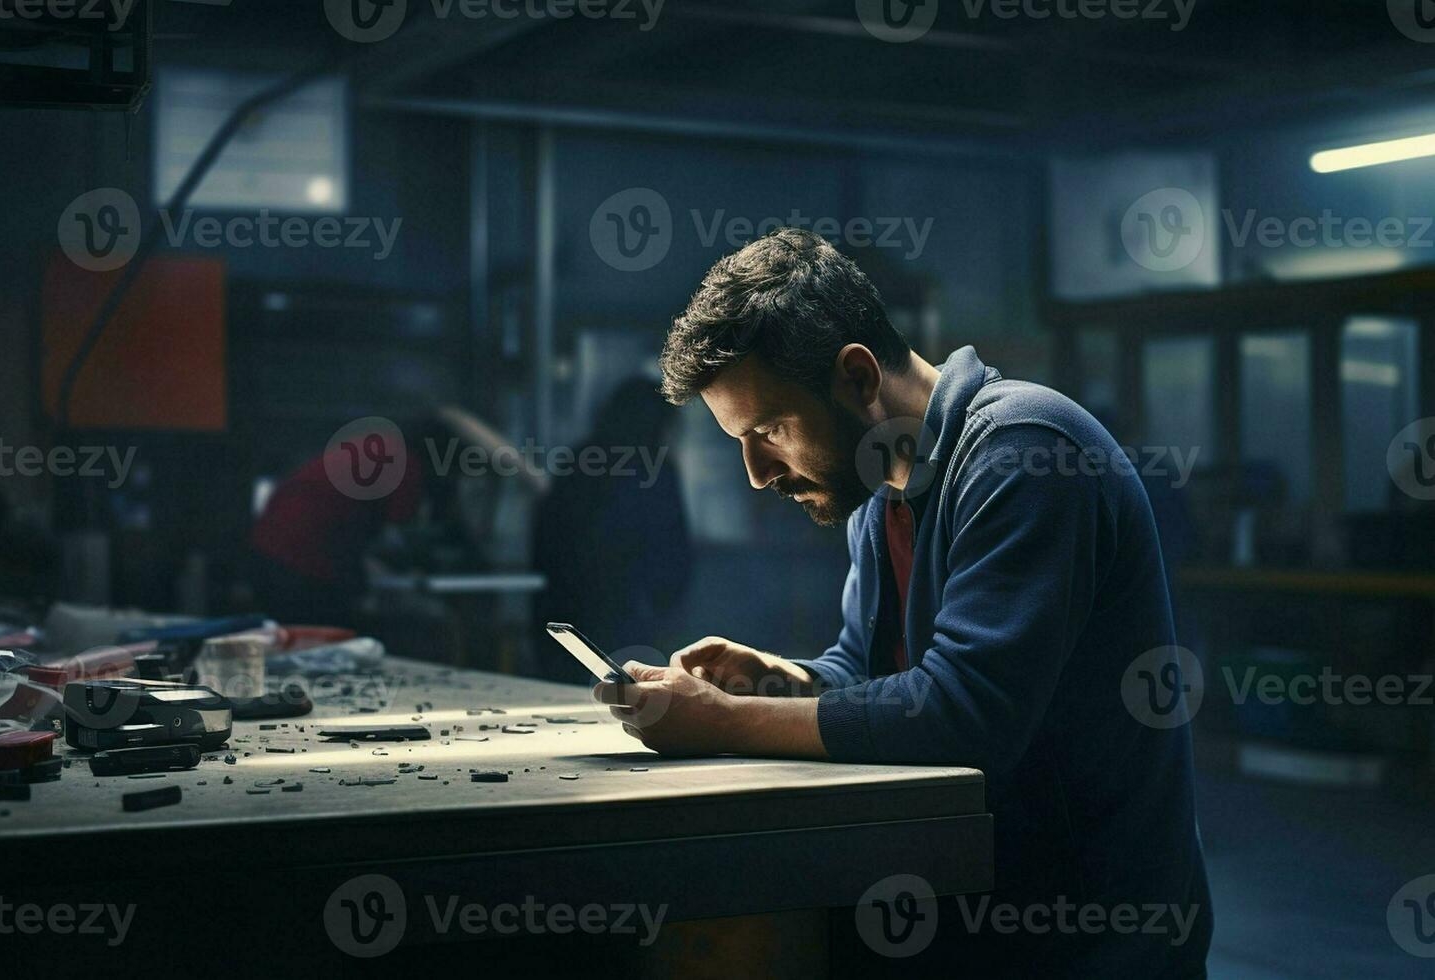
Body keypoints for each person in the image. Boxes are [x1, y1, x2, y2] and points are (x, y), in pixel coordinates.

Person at [595, 228, 1212, 976]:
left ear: (857, 379)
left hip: (1082, 939)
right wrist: (785, 679)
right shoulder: (878, 495)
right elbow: (869, 672)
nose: (758, 473)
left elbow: (965, 712)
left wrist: (723, 722)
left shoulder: (1024, 453)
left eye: (770, 430)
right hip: (962, 902)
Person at [248, 406, 544, 627]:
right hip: (298, 564)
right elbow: (397, 536)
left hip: (274, 552)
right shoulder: (403, 466)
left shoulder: (385, 451)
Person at [533, 377, 692, 682]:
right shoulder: (654, 468)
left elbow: (545, 544)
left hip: (564, 617)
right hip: (629, 618)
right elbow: (672, 555)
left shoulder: (579, 460)